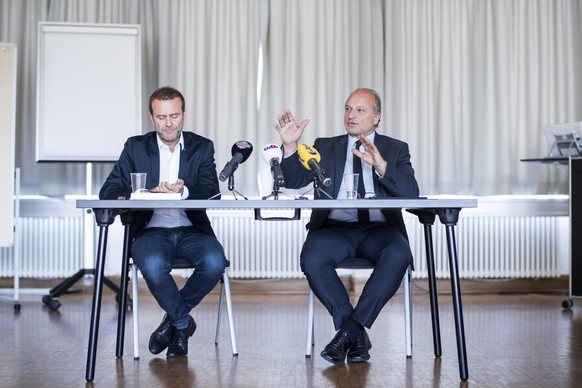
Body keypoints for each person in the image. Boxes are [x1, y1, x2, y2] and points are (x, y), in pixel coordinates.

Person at [274, 88, 419, 364]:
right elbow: (294, 180)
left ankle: (349, 332)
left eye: (360, 110)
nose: (351, 115)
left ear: (377, 117)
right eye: (347, 108)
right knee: (312, 256)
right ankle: (354, 333)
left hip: (380, 231)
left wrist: (382, 166)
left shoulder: (395, 148)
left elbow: (411, 191)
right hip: (334, 230)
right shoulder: (325, 145)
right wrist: (291, 148)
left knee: (400, 253)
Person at [100, 86, 227, 358]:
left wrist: (185, 191)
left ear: (184, 114)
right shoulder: (135, 146)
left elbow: (211, 190)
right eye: (161, 117)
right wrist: (143, 194)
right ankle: (182, 324)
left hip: (192, 229)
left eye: (174, 116)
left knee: (215, 262)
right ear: (151, 117)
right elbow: (108, 191)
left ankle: (171, 322)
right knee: (154, 265)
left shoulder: (201, 146)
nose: (169, 123)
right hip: (151, 230)